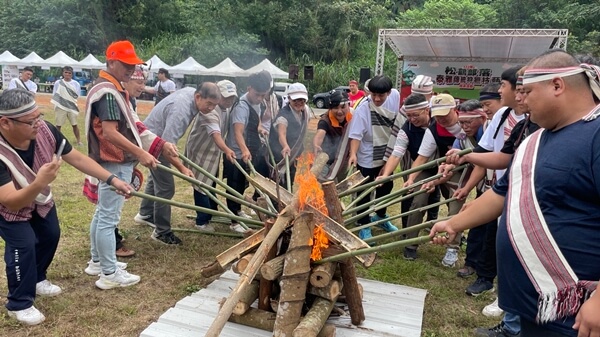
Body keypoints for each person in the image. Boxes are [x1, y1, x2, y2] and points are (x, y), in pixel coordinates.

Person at [431, 49, 600, 337]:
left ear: (557, 86)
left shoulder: (596, 135)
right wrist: (454, 223)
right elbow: (500, 194)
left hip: (579, 311)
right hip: (534, 303)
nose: (521, 102)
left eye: (528, 92)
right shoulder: (533, 141)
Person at [0, 88, 131, 325]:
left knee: (51, 234)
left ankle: (37, 278)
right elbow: (10, 200)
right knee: (24, 245)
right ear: (5, 123)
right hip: (8, 208)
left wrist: (112, 179)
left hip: (39, 198)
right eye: (31, 121)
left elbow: (77, 158)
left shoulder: (45, 130)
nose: (38, 124)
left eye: (39, 116)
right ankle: (19, 303)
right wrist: (40, 181)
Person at [85, 40, 180, 289]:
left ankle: (97, 261)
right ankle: (108, 272)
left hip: (109, 159)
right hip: (114, 160)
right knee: (108, 217)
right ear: (112, 62)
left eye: (133, 64)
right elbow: (110, 132)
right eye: (126, 64)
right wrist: (142, 153)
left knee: (102, 213)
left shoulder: (108, 86)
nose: (130, 69)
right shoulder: (108, 92)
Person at [134, 83, 219, 243]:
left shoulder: (191, 94)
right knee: (166, 187)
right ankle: (161, 232)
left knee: (156, 178)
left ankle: (145, 213)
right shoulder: (181, 110)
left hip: (154, 138)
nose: (211, 109)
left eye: (215, 105)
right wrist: (182, 167)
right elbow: (165, 146)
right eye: (209, 104)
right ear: (198, 97)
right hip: (153, 142)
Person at [402, 93, 467, 267]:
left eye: (445, 114)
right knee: (419, 199)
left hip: (462, 168)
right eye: (437, 115)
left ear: (454, 109)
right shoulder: (434, 129)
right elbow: (422, 157)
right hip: (437, 167)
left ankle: (453, 247)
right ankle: (410, 243)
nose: (441, 119)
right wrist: (411, 179)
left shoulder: (466, 124)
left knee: (455, 203)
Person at [378, 93, 435, 259]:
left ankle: (454, 241)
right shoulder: (406, 129)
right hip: (421, 166)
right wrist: (386, 175)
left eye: (415, 115)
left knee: (452, 197)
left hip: (446, 165)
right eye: (409, 116)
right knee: (417, 198)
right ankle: (410, 244)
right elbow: (397, 153)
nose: (412, 119)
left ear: (426, 110)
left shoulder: (438, 122)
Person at [348, 75, 403, 240]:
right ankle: (363, 224)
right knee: (364, 191)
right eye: (374, 95)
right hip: (367, 155)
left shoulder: (394, 96)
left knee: (386, 186)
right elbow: (356, 135)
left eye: (381, 95)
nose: (377, 99)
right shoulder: (363, 110)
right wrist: (352, 154)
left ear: (388, 93)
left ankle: (380, 216)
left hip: (387, 153)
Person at [184, 80, 237, 232]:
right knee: (201, 185)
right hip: (200, 151)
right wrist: (227, 149)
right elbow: (216, 134)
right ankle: (202, 221)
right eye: (226, 97)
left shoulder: (226, 108)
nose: (229, 101)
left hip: (213, 152)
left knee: (211, 181)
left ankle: (211, 211)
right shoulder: (210, 111)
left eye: (232, 98)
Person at [224, 70, 272, 224]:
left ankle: (237, 210)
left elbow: (256, 119)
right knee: (234, 185)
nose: (259, 98)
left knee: (242, 184)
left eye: (263, 95)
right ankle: (234, 221)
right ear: (249, 88)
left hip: (248, 151)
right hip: (236, 153)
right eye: (257, 94)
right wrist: (244, 150)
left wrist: (259, 128)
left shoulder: (256, 103)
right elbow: (238, 132)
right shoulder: (241, 106)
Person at [268, 82, 310, 187]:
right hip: (280, 155)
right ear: (289, 99)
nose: (299, 102)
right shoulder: (283, 115)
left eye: (302, 100)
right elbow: (282, 133)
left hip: (294, 155)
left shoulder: (305, 111)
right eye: (295, 100)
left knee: (290, 181)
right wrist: (285, 145)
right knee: (279, 184)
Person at [313, 90, 352, 182]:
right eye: (335, 108)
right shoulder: (325, 121)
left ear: (348, 105)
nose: (339, 111)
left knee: (342, 187)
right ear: (330, 108)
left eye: (343, 107)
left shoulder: (353, 117)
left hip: (344, 160)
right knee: (323, 184)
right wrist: (316, 145)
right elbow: (319, 134)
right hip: (326, 161)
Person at [51, 66, 83, 146]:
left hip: (72, 106)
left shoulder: (76, 84)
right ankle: (56, 140)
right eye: (66, 72)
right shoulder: (58, 83)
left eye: (69, 73)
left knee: (74, 124)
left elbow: (77, 95)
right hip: (61, 106)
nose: (67, 74)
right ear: (63, 73)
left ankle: (79, 141)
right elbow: (55, 94)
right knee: (58, 125)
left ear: (72, 74)